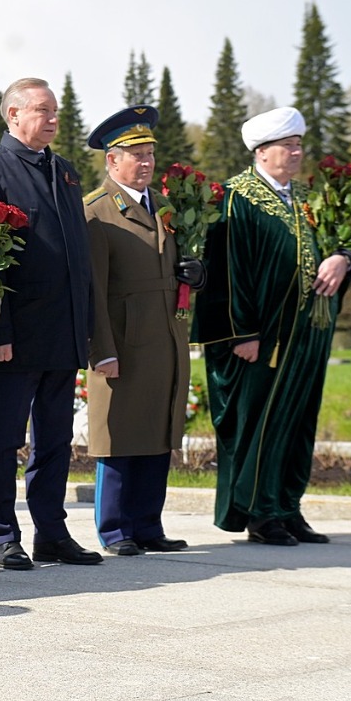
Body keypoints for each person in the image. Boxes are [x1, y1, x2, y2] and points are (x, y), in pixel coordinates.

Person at [191, 107, 351, 547]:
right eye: (289, 145)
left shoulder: (307, 200)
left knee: (298, 420)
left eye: (300, 145)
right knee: (259, 423)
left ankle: (287, 505)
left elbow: (343, 244)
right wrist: (241, 332)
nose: (298, 152)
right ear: (262, 152)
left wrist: (343, 259)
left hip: (307, 334)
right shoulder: (235, 198)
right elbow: (227, 270)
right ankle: (259, 512)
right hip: (260, 339)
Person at [0, 77, 100, 570]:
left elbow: (79, 259)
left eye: (56, 110)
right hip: (16, 336)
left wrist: (86, 326)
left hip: (63, 332)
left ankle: (52, 532)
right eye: (44, 110)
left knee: (56, 441)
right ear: (14, 114)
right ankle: (3, 535)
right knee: (4, 439)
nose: (54, 119)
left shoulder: (64, 171)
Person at [83, 106, 199, 556]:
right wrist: (101, 351)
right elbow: (92, 291)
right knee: (119, 436)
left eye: (150, 153)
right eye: (136, 154)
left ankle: (148, 524)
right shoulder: (96, 212)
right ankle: (114, 529)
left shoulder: (162, 209)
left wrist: (193, 275)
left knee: (156, 430)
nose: (147, 162)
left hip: (164, 337)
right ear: (112, 161)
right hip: (123, 342)